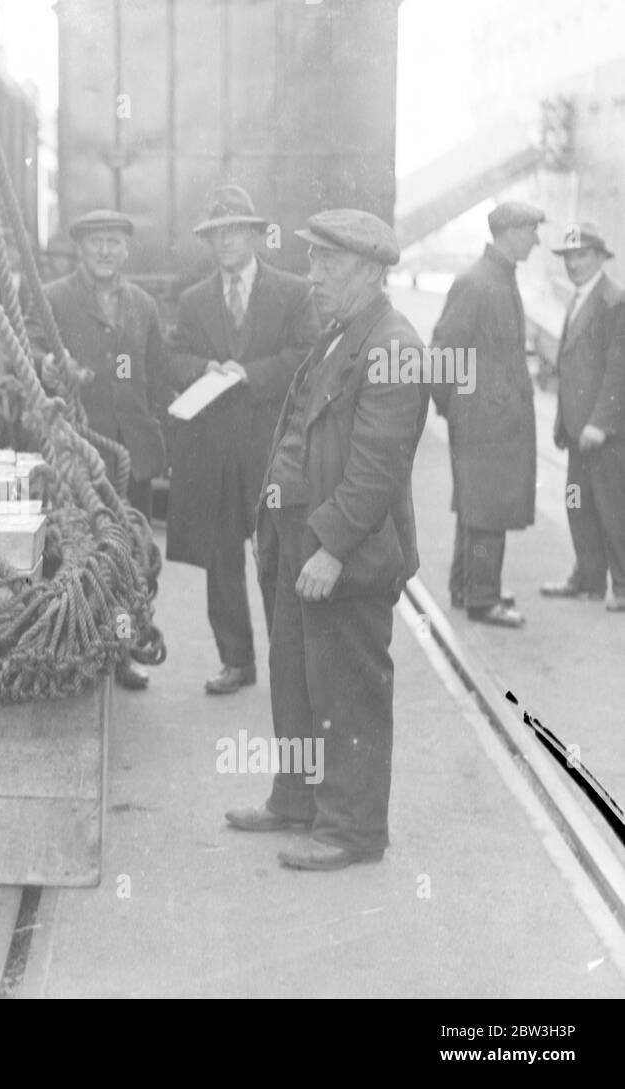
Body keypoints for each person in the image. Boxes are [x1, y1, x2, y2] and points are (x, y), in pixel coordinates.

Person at [225, 209, 428, 871]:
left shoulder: (391, 344)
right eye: (312, 263)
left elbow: (378, 465)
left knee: (347, 687)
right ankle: (298, 798)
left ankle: (352, 828)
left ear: (368, 272)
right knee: (297, 677)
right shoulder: (344, 333)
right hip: (298, 541)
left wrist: (333, 547)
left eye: (327, 265)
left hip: (343, 554)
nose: (312, 277)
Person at [166, 185, 319, 695]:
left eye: (236, 231)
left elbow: (307, 356)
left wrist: (250, 373)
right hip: (212, 455)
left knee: (277, 559)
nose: (227, 242)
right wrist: (203, 368)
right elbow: (174, 359)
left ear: (256, 236)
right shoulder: (193, 299)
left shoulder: (293, 293)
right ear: (208, 243)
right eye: (217, 234)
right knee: (221, 562)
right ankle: (236, 662)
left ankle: (289, 664)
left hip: (271, 453)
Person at [34, 208, 172, 690]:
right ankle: (82, 652)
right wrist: (47, 365)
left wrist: (157, 435)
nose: (106, 250)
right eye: (96, 242)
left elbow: (158, 376)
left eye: (114, 242)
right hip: (78, 449)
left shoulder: (144, 306)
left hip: (130, 452)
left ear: (126, 249)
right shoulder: (53, 299)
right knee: (80, 552)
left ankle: (124, 651)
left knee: (130, 555)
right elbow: (26, 357)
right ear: (80, 248)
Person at [430, 201, 543, 627]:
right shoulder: (479, 282)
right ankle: (483, 598)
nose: (537, 239)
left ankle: (467, 586)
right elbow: (443, 353)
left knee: (478, 507)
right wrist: (456, 410)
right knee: (487, 511)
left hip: (488, 422)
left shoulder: (494, 277)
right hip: (484, 424)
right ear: (512, 231)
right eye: (532, 230)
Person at [540, 222, 625, 611]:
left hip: (601, 433)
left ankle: (622, 586)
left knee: (611, 504)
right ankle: (589, 578)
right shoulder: (579, 298)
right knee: (576, 501)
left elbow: (618, 368)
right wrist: (566, 423)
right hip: (578, 431)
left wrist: (600, 422)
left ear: (601, 257)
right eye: (568, 257)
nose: (573, 263)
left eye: (582, 255)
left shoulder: (613, 301)